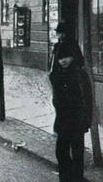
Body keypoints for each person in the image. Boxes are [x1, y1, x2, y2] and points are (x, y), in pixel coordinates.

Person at [50, 23, 92, 182]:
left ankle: (76, 178)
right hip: (63, 120)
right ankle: (66, 177)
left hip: (77, 120)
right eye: (60, 59)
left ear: (73, 57)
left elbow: (87, 100)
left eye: (66, 58)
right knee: (61, 151)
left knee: (77, 151)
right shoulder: (59, 76)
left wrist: (87, 120)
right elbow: (57, 100)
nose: (62, 61)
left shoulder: (80, 76)